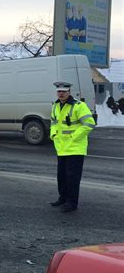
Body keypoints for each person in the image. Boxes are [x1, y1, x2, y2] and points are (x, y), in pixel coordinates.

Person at [50, 81, 96, 212]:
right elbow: (53, 122)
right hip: (61, 148)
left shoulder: (79, 106)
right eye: (59, 91)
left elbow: (89, 124)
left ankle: (72, 203)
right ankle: (63, 198)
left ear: (69, 92)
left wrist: (73, 137)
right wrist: (53, 135)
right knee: (62, 176)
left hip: (75, 148)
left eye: (64, 91)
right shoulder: (56, 106)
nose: (61, 94)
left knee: (72, 177)